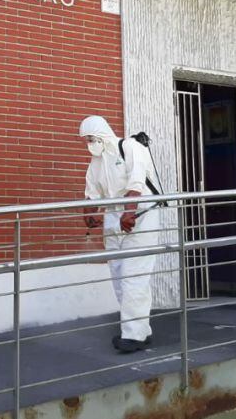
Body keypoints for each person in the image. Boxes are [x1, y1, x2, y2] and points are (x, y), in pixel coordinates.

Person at [79, 115, 161, 353]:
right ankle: (141, 330)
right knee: (118, 275)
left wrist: (130, 212)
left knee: (134, 275)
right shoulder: (96, 162)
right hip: (115, 218)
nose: (89, 143)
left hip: (141, 214)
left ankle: (133, 336)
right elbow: (91, 193)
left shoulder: (130, 147)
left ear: (102, 134)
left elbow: (136, 183)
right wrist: (89, 213)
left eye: (92, 138)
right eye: (86, 140)